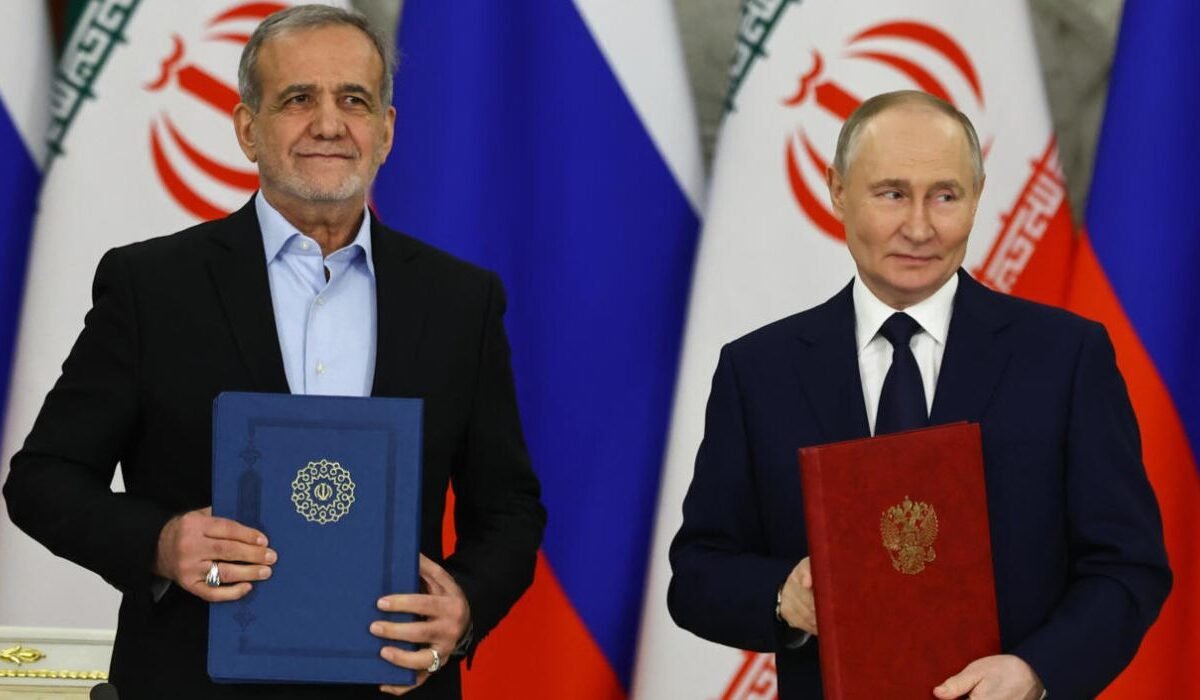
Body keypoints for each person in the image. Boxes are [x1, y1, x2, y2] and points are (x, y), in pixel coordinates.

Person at [3, 6, 545, 699]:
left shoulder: (460, 301)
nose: (329, 124)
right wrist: (160, 542)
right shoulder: (152, 286)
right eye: (298, 99)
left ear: (386, 131)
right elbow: (43, 479)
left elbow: (508, 509)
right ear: (247, 129)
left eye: (354, 100)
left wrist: (463, 606)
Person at [667, 90, 1171, 699]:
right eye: (892, 194)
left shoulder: (1066, 357)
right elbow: (697, 575)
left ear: (977, 197)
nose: (919, 227)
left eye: (945, 196)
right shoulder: (758, 371)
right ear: (837, 190)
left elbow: (1127, 566)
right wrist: (783, 598)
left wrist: (1035, 672)